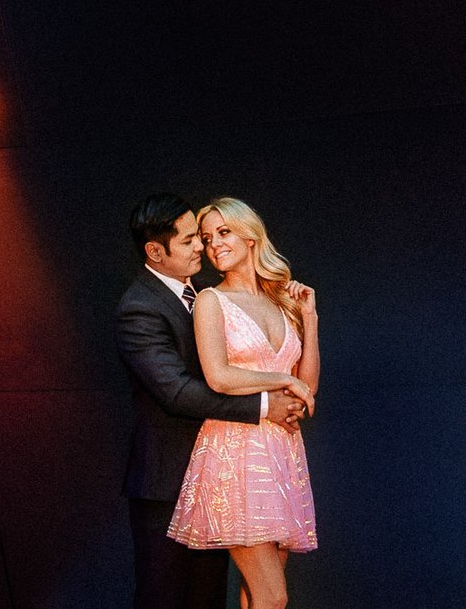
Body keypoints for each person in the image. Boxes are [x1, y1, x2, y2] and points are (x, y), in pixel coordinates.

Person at [118, 193, 311, 609]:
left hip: (234, 464)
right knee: (164, 597)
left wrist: (304, 317)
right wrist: (265, 405)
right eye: (191, 240)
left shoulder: (208, 293)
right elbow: (177, 390)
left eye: (202, 237)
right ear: (155, 251)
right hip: (167, 479)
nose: (202, 248)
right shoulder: (140, 308)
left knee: (208, 598)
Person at [169, 198, 320, 609]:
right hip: (234, 452)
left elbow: (307, 391)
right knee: (273, 597)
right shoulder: (210, 301)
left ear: (250, 235)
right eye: (206, 237)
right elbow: (219, 376)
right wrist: (282, 379)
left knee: (256, 596)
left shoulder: (281, 302)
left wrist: (309, 318)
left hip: (282, 453)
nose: (213, 244)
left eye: (223, 232)